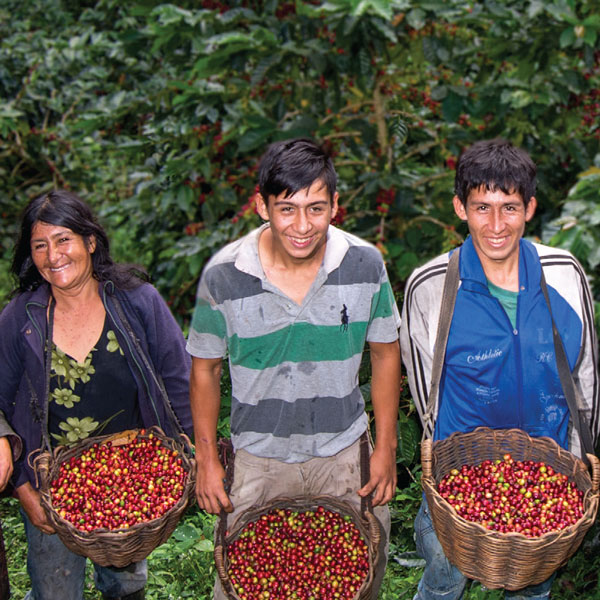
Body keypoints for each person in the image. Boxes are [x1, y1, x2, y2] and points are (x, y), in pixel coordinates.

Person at [187, 137, 402, 598]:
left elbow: (386, 352)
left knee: (355, 576)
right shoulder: (223, 275)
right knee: (244, 581)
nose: (302, 225)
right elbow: (204, 370)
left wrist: (385, 447)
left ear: (336, 206)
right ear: (261, 206)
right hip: (258, 458)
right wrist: (207, 460)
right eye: (286, 208)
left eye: (316, 208)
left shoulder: (364, 265)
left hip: (343, 454)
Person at [400, 139, 599, 600]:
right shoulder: (431, 286)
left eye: (509, 207)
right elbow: (423, 385)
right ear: (459, 208)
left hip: (546, 472)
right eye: (481, 207)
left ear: (529, 207)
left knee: (531, 588)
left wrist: (574, 460)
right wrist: (440, 468)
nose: (495, 225)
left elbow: (585, 376)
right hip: (459, 476)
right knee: (444, 579)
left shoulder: (564, 274)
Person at [0, 190, 193, 600]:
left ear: (90, 241)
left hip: (132, 476)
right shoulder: (22, 318)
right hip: (50, 482)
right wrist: (24, 488)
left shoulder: (136, 303)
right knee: (54, 589)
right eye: (40, 245)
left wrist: (193, 456)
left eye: (64, 239)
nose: (53, 255)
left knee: (125, 585)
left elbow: (179, 381)